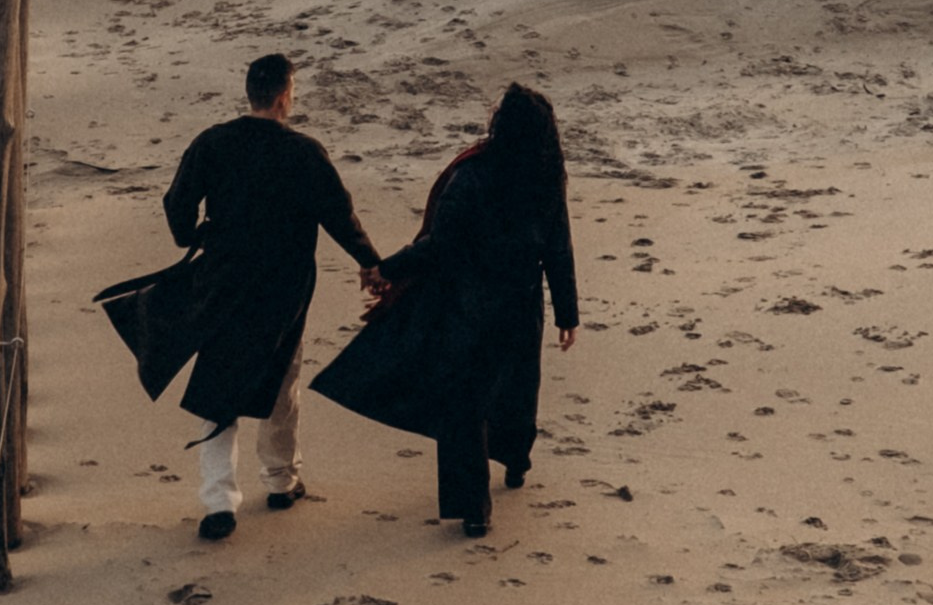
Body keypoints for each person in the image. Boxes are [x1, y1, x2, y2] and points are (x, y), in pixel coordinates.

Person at [95, 52, 379, 543]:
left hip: (222, 282)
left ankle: (217, 503)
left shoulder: (213, 143)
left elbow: (177, 202)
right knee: (281, 377)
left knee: (219, 384)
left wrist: (189, 236)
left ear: (250, 93)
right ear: (286, 95)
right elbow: (339, 215)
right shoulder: (305, 152)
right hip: (284, 287)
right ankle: (281, 480)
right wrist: (371, 263)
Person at [312, 83, 579, 539]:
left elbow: (441, 245)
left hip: (470, 306)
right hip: (521, 305)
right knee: (518, 385)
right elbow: (558, 246)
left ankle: (474, 510)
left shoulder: (472, 174)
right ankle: (516, 463)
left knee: (465, 402)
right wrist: (567, 313)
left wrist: (387, 268)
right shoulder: (547, 175)